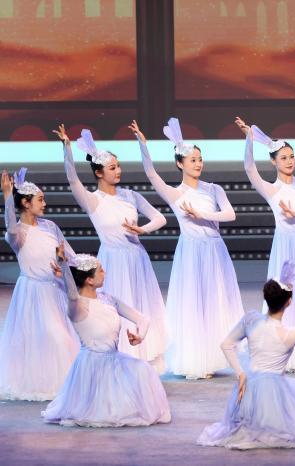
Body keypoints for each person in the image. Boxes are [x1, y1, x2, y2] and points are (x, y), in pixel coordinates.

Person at [132, 118, 245, 379]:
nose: (198, 163)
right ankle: (197, 360)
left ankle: (214, 356)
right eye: (192, 160)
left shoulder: (214, 189)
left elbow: (230, 215)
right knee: (195, 306)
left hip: (215, 251)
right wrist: (143, 146)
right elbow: (151, 174)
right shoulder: (175, 194)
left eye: (200, 159)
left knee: (215, 303)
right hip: (192, 253)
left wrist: (203, 214)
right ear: (180, 164)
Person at [56, 124, 167, 370]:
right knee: (115, 310)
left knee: (141, 305)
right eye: (112, 168)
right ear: (98, 172)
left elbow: (160, 218)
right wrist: (67, 149)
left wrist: (143, 230)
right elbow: (72, 179)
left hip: (137, 258)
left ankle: (142, 358)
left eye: (118, 166)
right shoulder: (93, 200)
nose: (118, 171)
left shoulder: (130, 196)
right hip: (112, 260)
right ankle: (120, 360)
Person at [233, 118, 295, 371]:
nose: (289, 161)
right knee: (291, 295)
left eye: (291, 156)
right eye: (284, 158)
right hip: (287, 249)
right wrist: (249, 139)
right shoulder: (271, 189)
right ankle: (293, 353)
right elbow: (249, 168)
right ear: (273, 162)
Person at [197, 263, 295, 450]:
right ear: (289, 302)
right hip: (274, 393)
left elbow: (226, 344)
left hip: (249, 389)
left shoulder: (251, 319)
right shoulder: (289, 335)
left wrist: (241, 373)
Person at [42, 252, 171, 427]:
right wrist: (65, 268)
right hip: (92, 366)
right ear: (89, 280)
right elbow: (72, 295)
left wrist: (140, 335)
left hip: (115, 360)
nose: (105, 272)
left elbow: (143, 318)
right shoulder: (77, 306)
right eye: (101, 270)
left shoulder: (108, 299)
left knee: (144, 370)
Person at [0, 169, 79, 401]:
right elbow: (11, 227)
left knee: (62, 338)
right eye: (40, 199)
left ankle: (68, 383)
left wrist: (70, 267)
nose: (45, 204)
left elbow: (70, 256)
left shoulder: (50, 226)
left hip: (54, 290)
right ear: (26, 203)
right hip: (32, 292)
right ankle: (40, 384)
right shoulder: (17, 234)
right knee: (39, 339)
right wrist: (7, 196)